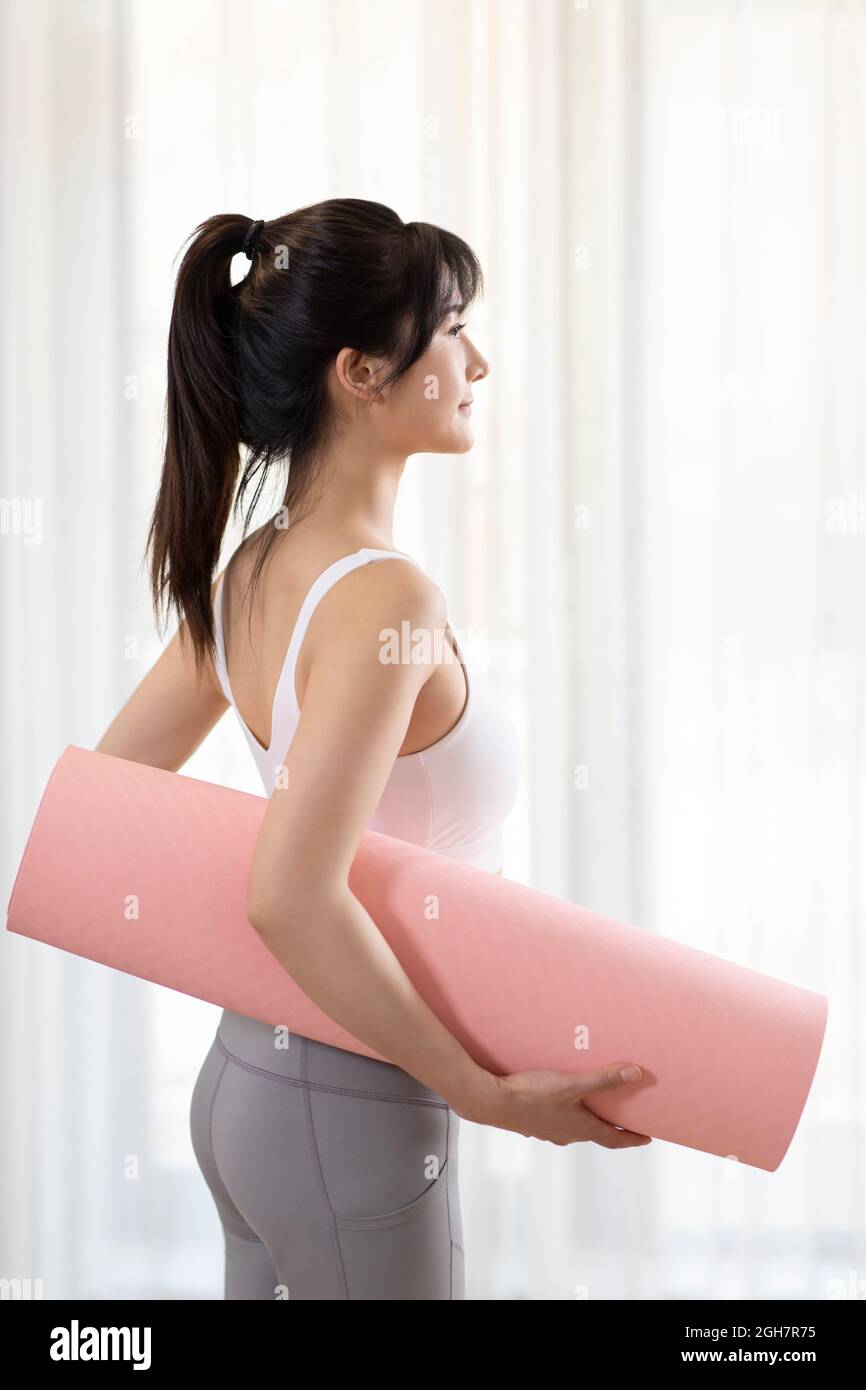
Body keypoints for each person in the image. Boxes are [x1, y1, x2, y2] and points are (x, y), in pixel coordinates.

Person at [96, 198, 650, 1301]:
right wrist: (480, 1091)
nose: (476, 362)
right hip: (350, 1108)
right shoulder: (384, 596)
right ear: (359, 372)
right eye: (451, 330)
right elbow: (290, 893)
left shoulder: (253, 570)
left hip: (246, 1086)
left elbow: (107, 800)